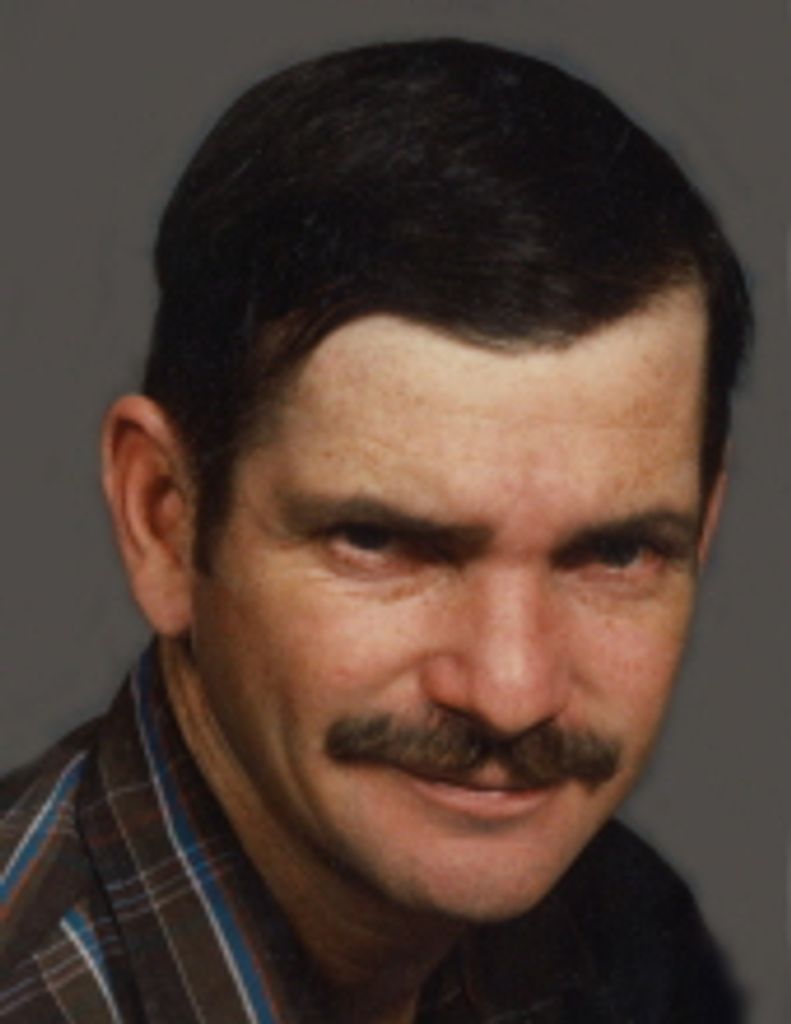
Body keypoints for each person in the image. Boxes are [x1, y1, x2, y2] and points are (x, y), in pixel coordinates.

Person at [1, 38, 752, 1023]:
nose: (510, 693)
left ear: (702, 532)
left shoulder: (633, 937)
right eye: (380, 543)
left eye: (614, 553)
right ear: (164, 520)